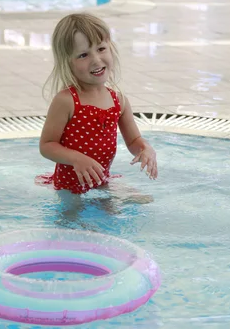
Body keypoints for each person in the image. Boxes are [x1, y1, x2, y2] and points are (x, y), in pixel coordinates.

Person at [36, 13, 158, 196]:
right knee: (73, 223)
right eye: (83, 55)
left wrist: (145, 149)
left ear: (111, 48)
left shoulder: (119, 100)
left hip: (101, 180)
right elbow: (47, 145)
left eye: (101, 49)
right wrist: (76, 159)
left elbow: (133, 141)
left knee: (142, 201)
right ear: (67, 63)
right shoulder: (67, 100)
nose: (96, 60)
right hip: (69, 188)